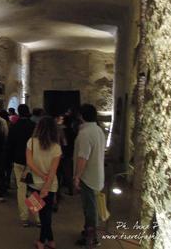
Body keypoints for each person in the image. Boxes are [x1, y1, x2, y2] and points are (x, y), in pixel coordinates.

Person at [26, 116, 62, 249]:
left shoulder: (31, 142)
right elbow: (53, 171)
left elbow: (29, 162)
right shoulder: (56, 147)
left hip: (34, 183)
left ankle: (42, 242)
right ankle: (50, 241)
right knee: (46, 214)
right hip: (51, 185)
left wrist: (40, 176)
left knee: (41, 213)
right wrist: (46, 186)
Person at [73, 104, 105, 247]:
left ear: (81, 116)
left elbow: (83, 157)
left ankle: (91, 238)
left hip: (88, 177)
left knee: (90, 209)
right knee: (91, 207)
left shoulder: (85, 133)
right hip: (97, 175)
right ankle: (88, 232)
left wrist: (77, 176)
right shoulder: (98, 130)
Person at [7, 104, 38, 227]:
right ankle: (38, 217)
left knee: (21, 189)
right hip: (32, 161)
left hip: (18, 161)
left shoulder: (14, 127)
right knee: (33, 189)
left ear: (18, 113)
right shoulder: (33, 126)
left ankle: (24, 217)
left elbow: (9, 145)